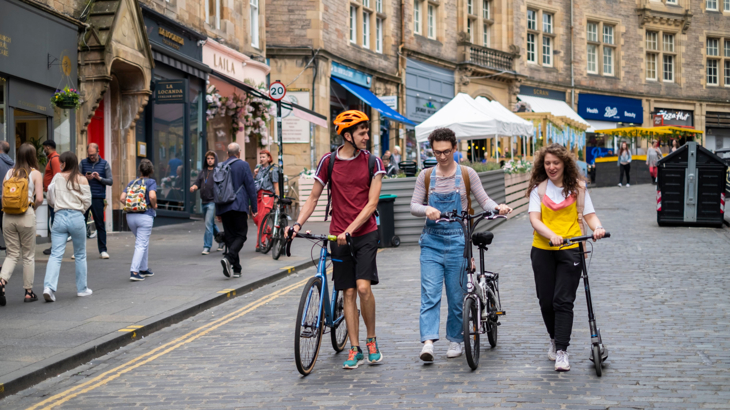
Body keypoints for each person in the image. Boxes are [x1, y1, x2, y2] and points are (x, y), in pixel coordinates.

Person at [291, 110, 385, 370]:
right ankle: (353, 348)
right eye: (362, 133)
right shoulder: (328, 162)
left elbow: (372, 203)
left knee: (364, 287)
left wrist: (350, 230)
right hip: (338, 234)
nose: (367, 136)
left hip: (365, 233)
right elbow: (312, 198)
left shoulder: (373, 163)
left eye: (367, 132)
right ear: (347, 135)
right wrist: (297, 223)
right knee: (349, 291)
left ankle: (372, 341)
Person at [410, 128, 511, 362]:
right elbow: (414, 205)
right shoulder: (425, 176)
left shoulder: (467, 174)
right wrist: (426, 209)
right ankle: (428, 342)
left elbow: (484, 200)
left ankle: (455, 339)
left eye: (446, 151)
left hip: (458, 240)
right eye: (437, 152)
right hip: (431, 242)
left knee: (457, 296)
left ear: (455, 148)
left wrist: (497, 208)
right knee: (430, 294)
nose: (442, 156)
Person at [526, 143, 606, 371]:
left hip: (571, 248)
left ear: (565, 164)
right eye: (547, 163)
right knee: (546, 301)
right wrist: (552, 235)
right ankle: (553, 338)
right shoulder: (538, 190)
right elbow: (535, 219)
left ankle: (562, 350)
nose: (551, 167)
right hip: (542, 249)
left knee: (563, 301)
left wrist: (598, 227)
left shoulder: (578, 188)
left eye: (556, 163)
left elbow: (589, 215)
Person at [42, 152, 93, 302]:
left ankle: (49, 288)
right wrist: (80, 210)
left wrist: (56, 206)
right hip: (77, 217)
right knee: (80, 254)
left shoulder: (57, 178)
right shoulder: (83, 179)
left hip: (59, 217)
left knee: (56, 254)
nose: (60, 165)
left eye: (62, 163)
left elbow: (50, 196)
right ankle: (82, 289)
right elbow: (88, 201)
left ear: (65, 164)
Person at [0, 143, 44, 306]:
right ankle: (28, 292)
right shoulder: (35, 174)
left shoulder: (9, 172)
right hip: (26, 215)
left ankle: (2, 282)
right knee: (28, 255)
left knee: (11, 254)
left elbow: (4, 195)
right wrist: (32, 207)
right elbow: (39, 198)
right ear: (33, 156)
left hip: (8, 216)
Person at [216, 143, 257, 279]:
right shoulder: (243, 165)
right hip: (239, 205)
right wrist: (254, 208)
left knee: (231, 237)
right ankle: (229, 258)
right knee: (241, 235)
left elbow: (216, 190)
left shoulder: (220, 166)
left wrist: (218, 211)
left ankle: (237, 269)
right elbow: (251, 188)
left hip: (224, 206)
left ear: (227, 153)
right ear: (239, 153)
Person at [120, 159, 158, 282]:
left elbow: (122, 198)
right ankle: (134, 271)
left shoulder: (132, 182)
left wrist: (132, 205)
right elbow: (152, 196)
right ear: (151, 171)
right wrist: (154, 205)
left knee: (142, 241)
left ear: (139, 170)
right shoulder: (151, 182)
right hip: (145, 215)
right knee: (141, 243)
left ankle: (144, 268)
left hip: (130, 216)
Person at [80, 143, 113, 258]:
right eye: (89, 155)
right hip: (84, 197)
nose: (91, 157)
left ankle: (103, 250)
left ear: (98, 152)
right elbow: (76, 179)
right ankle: (79, 251)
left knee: (100, 224)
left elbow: (110, 181)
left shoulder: (104, 164)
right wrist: (85, 178)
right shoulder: (83, 163)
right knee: (80, 224)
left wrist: (99, 178)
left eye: (93, 155)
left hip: (98, 197)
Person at [191, 151, 223, 255]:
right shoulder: (203, 172)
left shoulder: (217, 171)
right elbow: (197, 183)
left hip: (212, 201)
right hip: (204, 201)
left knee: (208, 225)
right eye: (208, 158)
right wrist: (194, 187)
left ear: (215, 160)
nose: (210, 160)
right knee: (211, 224)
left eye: (212, 159)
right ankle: (222, 240)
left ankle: (207, 246)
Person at [253, 150, 279, 252]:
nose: (261, 159)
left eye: (263, 157)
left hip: (267, 196)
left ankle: (260, 243)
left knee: (263, 218)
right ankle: (270, 236)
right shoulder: (258, 169)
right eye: (260, 157)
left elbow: (276, 186)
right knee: (257, 218)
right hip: (258, 195)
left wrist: (277, 198)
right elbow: (254, 182)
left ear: (269, 158)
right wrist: (254, 175)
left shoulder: (273, 170)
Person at [41, 140, 62, 256]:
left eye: (44, 148)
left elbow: (57, 178)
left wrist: (53, 197)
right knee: (54, 221)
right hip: (53, 196)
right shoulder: (53, 159)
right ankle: (55, 246)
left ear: (48, 147)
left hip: (54, 197)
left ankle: (55, 246)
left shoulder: (54, 159)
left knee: (55, 222)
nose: (43, 150)